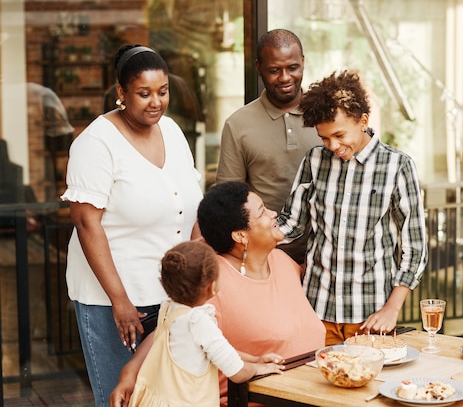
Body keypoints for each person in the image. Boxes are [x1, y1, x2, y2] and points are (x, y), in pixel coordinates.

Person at [61, 44, 203, 407]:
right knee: (120, 399)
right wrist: (119, 301)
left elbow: (192, 205)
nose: (155, 102)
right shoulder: (95, 143)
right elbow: (86, 224)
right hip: (115, 301)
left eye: (163, 91)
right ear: (121, 93)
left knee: (165, 398)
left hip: (170, 296)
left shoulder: (171, 131)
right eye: (143, 93)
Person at [110, 181, 325, 407]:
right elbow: (171, 328)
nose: (273, 214)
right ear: (240, 236)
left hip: (314, 392)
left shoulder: (282, 262)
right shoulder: (213, 280)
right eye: (262, 212)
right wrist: (129, 373)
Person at [277, 70, 429, 345]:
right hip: (316, 309)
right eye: (324, 138)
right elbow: (292, 224)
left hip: (370, 315)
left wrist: (392, 308)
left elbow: (414, 246)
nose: (332, 146)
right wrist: (244, 236)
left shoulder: (397, 166)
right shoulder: (314, 160)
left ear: (363, 121)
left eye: (339, 134)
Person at [118, 240, 284, 407]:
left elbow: (219, 351)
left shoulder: (169, 309)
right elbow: (237, 372)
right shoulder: (198, 322)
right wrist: (258, 369)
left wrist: (256, 359)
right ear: (212, 286)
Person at [215, 29, 321, 264]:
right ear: (259, 68)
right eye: (274, 70)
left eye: (293, 68)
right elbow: (229, 201)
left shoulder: (328, 117)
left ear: (303, 62)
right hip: (264, 258)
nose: (284, 77)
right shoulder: (238, 124)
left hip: (324, 258)